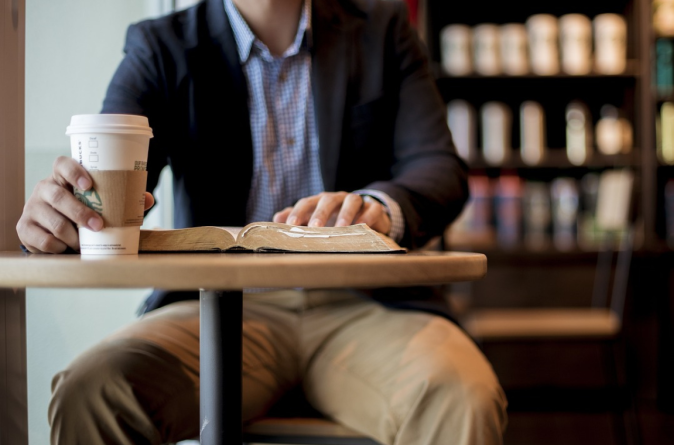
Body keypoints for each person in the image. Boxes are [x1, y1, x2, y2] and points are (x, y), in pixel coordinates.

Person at [17, 0, 508, 444]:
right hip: (214, 307)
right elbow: (106, 176)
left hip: (366, 303)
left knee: (462, 395)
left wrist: (377, 205)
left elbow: (440, 170)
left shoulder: (382, 29)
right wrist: (67, 212)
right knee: (93, 391)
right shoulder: (162, 44)